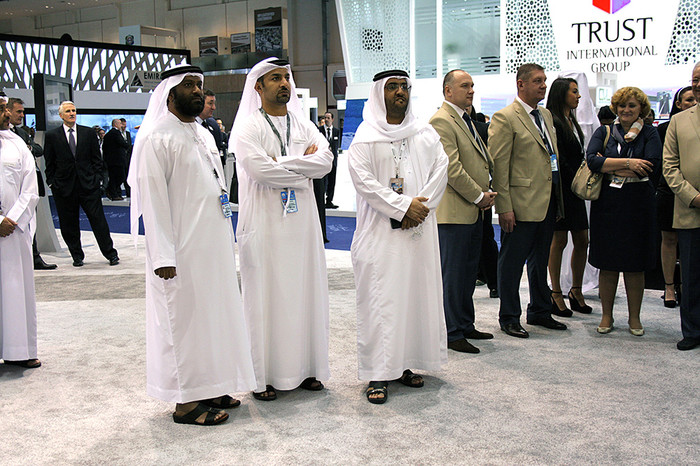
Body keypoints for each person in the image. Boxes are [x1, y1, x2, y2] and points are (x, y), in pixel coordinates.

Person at [128, 64, 255, 425]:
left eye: (199, 85)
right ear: (169, 94)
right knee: (184, 323)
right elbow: (154, 202)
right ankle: (186, 403)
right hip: (180, 252)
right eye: (189, 85)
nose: (197, 91)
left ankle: (211, 386)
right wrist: (162, 256)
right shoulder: (156, 138)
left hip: (212, 247)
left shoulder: (202, 133)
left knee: (212, 320)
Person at [230, 57, 333, 401]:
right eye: (275, 78)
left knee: (305, 292)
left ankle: (307, 370)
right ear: (259, 87)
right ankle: (265, 377)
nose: (283, 83)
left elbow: (326, 162)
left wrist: (282, 163)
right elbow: (260, 171)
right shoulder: (248, 128)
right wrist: (303, 168)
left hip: (302, 226)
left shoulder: (304, 125)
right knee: (266, 298)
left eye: (286, 77)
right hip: (265, 225)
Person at [348, 69, 448, 404]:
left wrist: (420, 208)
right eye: (392, 87)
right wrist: (403, 207)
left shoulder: (424, 133)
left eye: (404, 86)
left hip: (418, 231)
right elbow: (364, 182)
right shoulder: (365, 137)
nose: (399, 92)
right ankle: (378, 372)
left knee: (411, 299)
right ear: (379, 94)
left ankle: (404, 364)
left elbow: (441, 170)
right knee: (382, 302)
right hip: (380, 236)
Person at [489, 63, 566, 338]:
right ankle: (509, 316)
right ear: (520, 84)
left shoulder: (545, 115)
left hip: (547, 201)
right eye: (537, 81)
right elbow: (499, 166)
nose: (543, 85)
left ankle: (540, 311)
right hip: (520, 204)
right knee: (512, 263)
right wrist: (504, 207)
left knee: (540, 260)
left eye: (544, 80)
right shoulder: (505, 117)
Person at [429, 69, 496, 354]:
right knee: (453, 276)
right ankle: (451, 331)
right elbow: (451, 169)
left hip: (472, 210)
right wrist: (479, 196)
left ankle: (465, 324)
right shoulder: (441, 120)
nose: (471, 90)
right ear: (448, 90)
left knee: (468, 273)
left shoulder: (465, 119)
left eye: (472, 85)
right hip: (455, 212)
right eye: (464, 86)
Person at [586, 87, 661, 336]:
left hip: (639, 205)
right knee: (607, 263)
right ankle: (606, 316)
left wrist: (610, 166)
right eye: (622, 105)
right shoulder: (604, 131)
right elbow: (592, 161)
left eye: (632, 105)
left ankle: (634, 318)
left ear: (641, 109)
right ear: (615, 108)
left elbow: (651, 165)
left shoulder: (650, 133)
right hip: (607, 204)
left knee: (635, 264)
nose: (626, 110)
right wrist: (630, 163)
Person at [43, 101, 119, 267]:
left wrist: (97, 179)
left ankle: (111, 254)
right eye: (68, 111)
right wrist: (52, 183)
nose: (72, 113)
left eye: (73, 110)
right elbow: (50, 163)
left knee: (99, 221)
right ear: (61, 115)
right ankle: (77, 256)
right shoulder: (52, 136)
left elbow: (96, 159)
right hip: (64, 188)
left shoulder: (88, 133)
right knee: (68, 224)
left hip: (88, 185)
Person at [0, 92, 41, 369]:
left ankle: (19, 350)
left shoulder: (17, 144)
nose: (7, 113)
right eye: (1, 108)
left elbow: (30, 189)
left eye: (6, 108)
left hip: (13, 233)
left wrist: (10, 220)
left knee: (16, 291)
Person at [545, 77, 592, 316]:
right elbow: (557, 158)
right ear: (562, 93)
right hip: (562, 189)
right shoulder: (553, 121)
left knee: (582, 239)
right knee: (559, 239)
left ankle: (576, 289)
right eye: (574, 91)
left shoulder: (571, 120)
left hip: (575, 189)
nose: (578, 96)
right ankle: (555, 292)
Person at [663, 61, 700, 350]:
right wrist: (693, 197)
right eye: (694, 79)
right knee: (691, 276)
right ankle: (692, 331)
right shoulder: (679, 121)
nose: (697, 84)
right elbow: (669, 167)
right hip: (690, 210)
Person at [656, 86, 696, 308]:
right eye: (687, 100)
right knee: (669, 239)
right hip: (670, 190)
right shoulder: (667, 127)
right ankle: (669, 286)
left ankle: (685, 287)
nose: (692, 103)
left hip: (693, 194)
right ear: (678, 103)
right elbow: (666, 164)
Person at [7, 97, 57, 270]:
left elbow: (38, 149)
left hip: (28, 188)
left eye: (23, 112)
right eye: (19, 112)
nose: (22, 115)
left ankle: (34, 257)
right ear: (7, 111)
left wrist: (27, 148)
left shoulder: (22, 133)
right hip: (10, 188)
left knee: (30, 221)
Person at [197, 89, 227, 167]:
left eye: (214, 103)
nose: (214, 107)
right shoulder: (189, 125)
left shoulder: (213, 125)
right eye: (210, 103)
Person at [102, 119, 130, 201]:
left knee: (114, 177)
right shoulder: (115, 133)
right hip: (117, 161)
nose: (122, 125)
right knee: (120, 177)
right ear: (116, 124)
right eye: (120, 123)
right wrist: (130, 147)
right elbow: (123, 143)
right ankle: (111, 191)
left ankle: (114, 193)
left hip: (111, 161)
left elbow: (104, 148)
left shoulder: (108, 135)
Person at [320, 111, 341, 209]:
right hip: (322, 160)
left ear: (332, 119)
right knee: (323, 181)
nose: (326, 120)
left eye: (328, 118)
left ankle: (329, 201)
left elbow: (337, 145)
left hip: (333, 160)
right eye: (325, 118)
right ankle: (321, 200)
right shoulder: (319, 131)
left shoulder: (336, 131)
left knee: (332, 181)